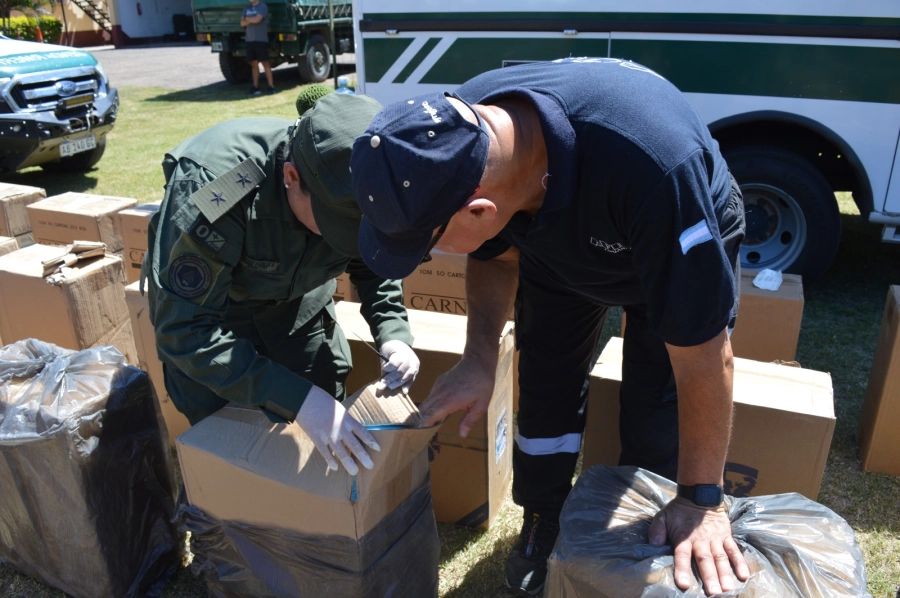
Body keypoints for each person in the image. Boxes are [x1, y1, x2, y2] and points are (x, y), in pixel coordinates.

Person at [350, 57, 750, 596]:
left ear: (481, 210)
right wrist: (479, 359)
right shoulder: (464, 133)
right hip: (558, 247)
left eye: (424, 247)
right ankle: (543, 518)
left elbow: (705, 358)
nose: (426, 260)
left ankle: (649, 533)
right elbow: (492, 257)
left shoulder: (657, 169)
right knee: (545, 387)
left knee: (656, 404)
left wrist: (704, 500)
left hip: (666, 233)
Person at [143, 92, 419, 475]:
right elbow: (184, 331)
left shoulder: (370, 172)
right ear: (291, 177)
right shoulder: (219, 188)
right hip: (217, 327)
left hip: (298, 318)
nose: (347, 238)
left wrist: (392, 331)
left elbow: (373, 258)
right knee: (230, 464)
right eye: (337, 228)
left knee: (319, 465)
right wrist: (299, 399)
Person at [240, 0, 274, 95]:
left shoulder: (262, 6)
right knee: (253, 64)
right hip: (249, 40)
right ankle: (256, 87)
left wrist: (247, 19)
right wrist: (251, 19)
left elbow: (258, 20)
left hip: (261, 40)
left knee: (265, 63)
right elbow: (242, 23)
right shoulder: (247, 8)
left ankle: (271, 87)